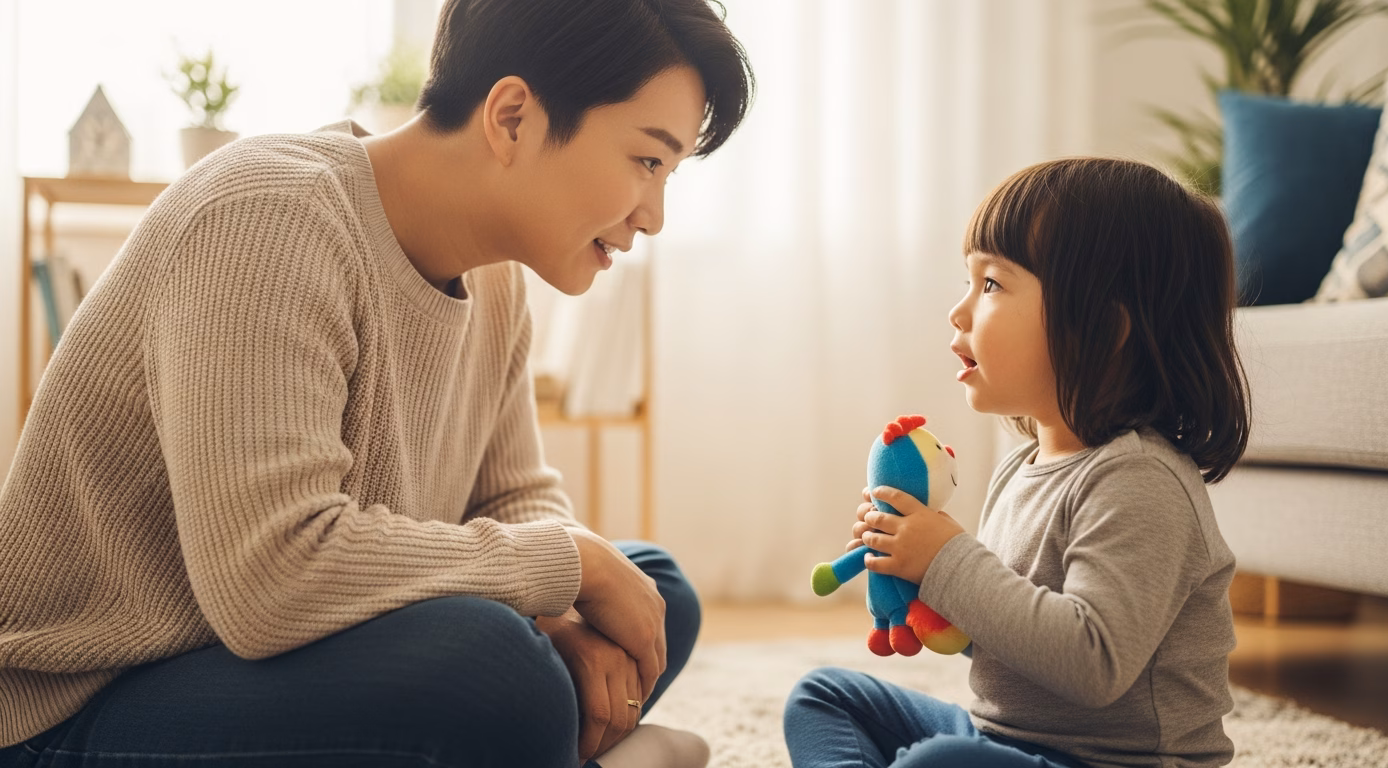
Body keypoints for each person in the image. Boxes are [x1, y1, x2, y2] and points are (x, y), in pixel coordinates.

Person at [0, 1, 752, 766]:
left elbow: (514, 498)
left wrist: (559, 606)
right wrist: (569, 567)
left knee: (653, 596)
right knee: (497, 669)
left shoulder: (496, 280)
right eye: (647, 162)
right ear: (514, 117)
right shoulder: (269, 215)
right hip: (81, 703)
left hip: (293, 656)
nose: (654, 216)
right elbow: (272, 579)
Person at [784, 158, 1251, 768]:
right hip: (1006, 741)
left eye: (993, 284)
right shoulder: (1022, 465)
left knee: (940, 762)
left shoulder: (1141, 482)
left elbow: (1093, 664)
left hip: (1110, 762)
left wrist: (946, 560)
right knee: (822, 696)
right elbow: (1011, 645)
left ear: (1104, 328)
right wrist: (920, 580)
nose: (959, 312)